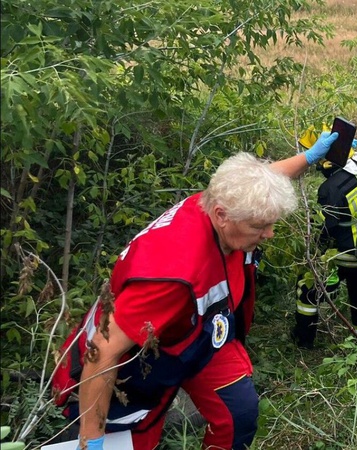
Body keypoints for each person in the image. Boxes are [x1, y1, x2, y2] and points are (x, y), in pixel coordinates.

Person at [51, 132, 339, 450]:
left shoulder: (226, 199)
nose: (269, 234)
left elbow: (263, 180)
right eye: (260, 226)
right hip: (146, 359)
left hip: (201, 332)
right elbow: (103, 352)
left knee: (238, 414)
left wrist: (310, 157)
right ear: (222, 216)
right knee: (138, 438)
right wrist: (92, 441)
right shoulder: (172, 277)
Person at [292, 127, 357, 349]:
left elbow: (324, 231)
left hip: (343, 255)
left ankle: (304, 338)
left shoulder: (330, 189)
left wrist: (313, 255)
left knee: (308, 288)